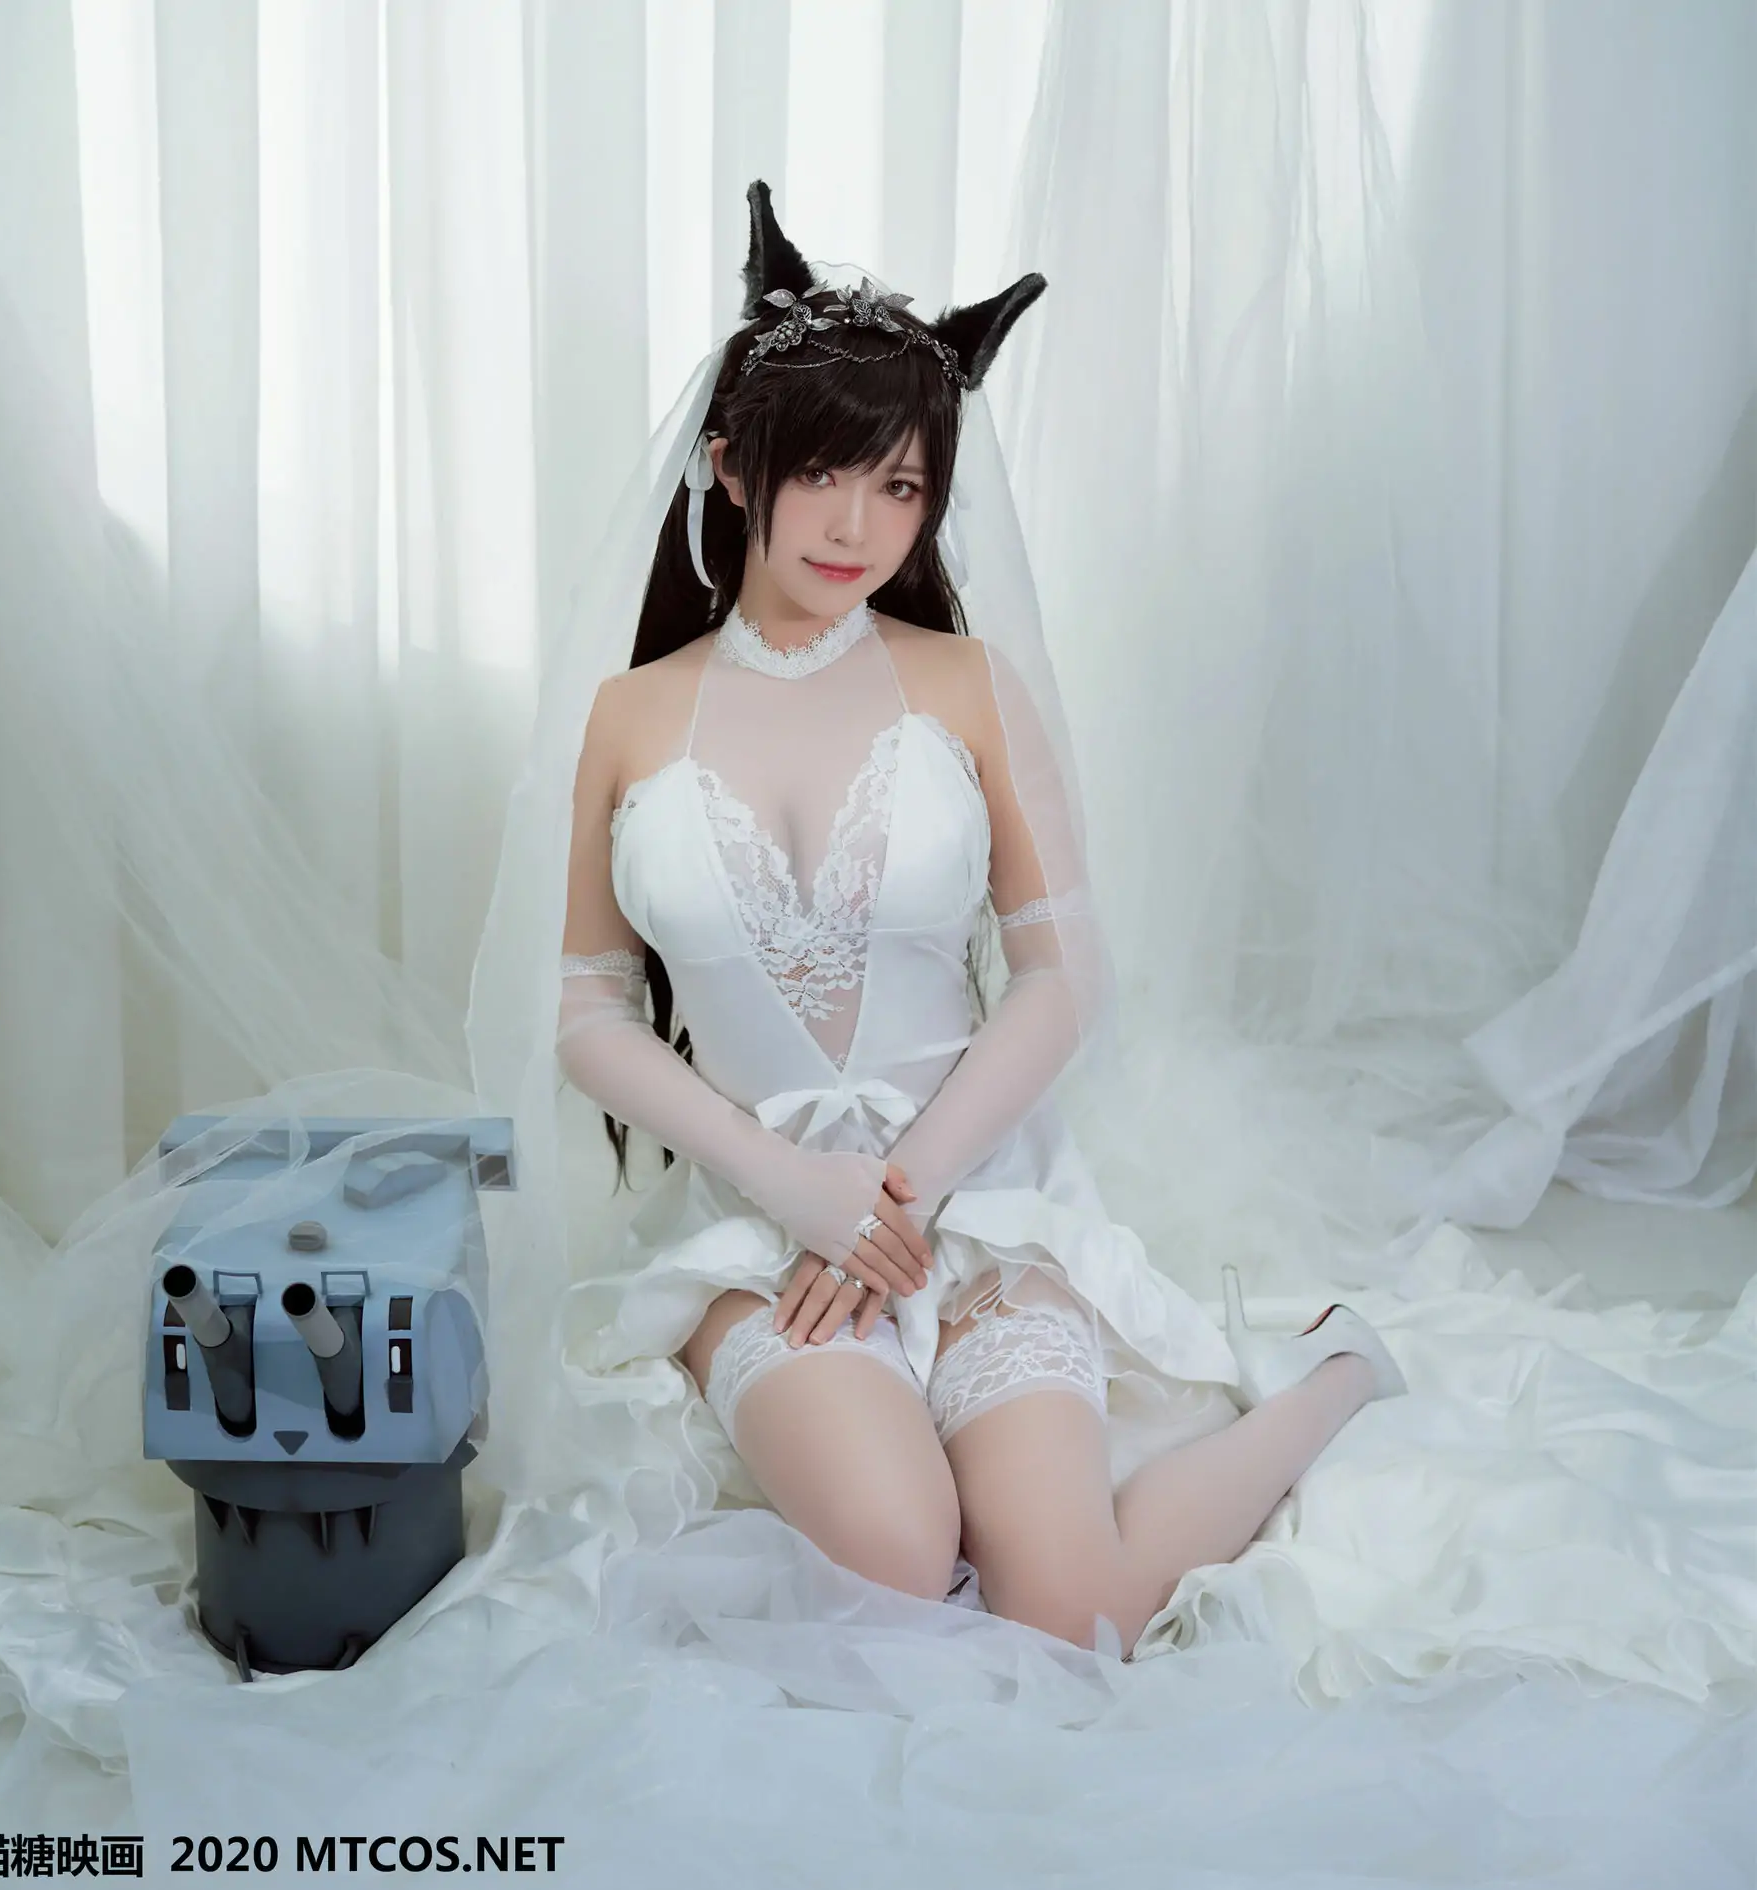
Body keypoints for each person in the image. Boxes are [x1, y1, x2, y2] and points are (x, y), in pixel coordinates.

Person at [513, 179, 1408, 1661]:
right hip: (755, 1229)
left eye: (901, 486)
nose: (857, 524)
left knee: (1070, 1609)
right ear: (731, 465)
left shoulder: (968, 685)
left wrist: (904, 1194)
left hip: (976, 1198)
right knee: (894, 1551)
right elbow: (586, 1006)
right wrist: (792, 1187)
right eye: (823, 473)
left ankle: (1333, 1376)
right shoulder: (631, 714)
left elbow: (1062, 973)